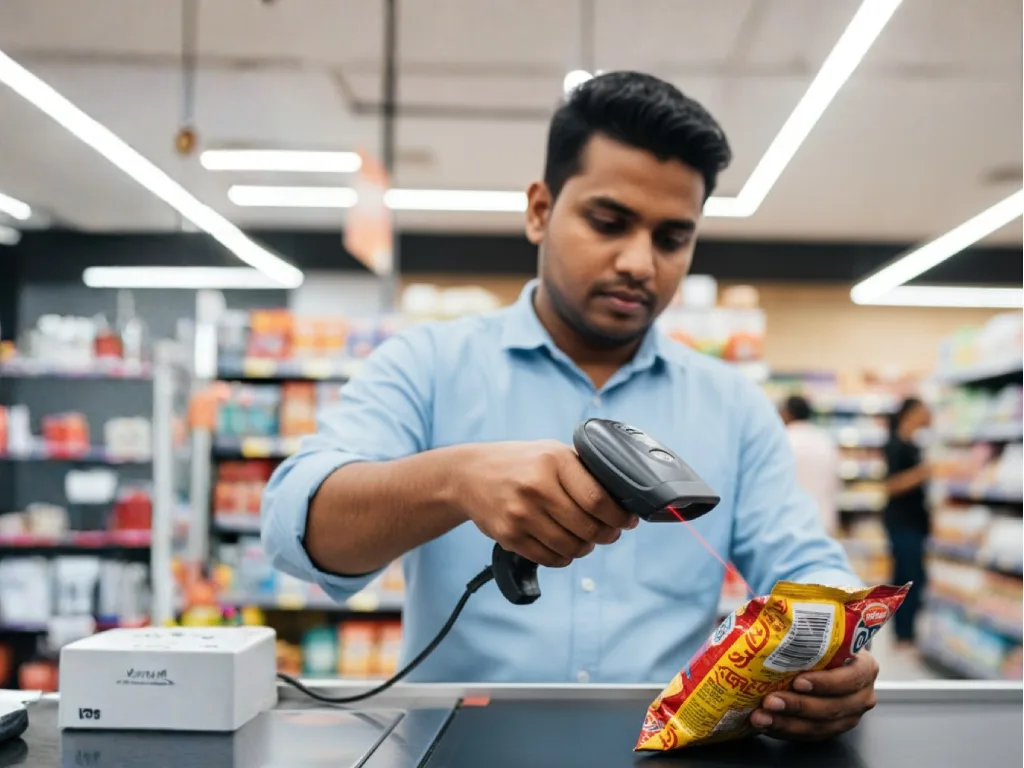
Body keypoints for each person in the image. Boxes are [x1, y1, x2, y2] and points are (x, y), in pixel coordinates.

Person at [262, 72, 877, 741]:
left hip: (664, 749)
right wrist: (454, 481)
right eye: (609, 223)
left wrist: (842, 653)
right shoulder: (427, 365)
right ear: (539, 210)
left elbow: (806, 564)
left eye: (672, 238)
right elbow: (297, 528)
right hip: (459, 749)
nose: (640, 262)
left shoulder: (733, 405)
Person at [883, 397, 932, 648]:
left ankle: (905, 633)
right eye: (925, 410)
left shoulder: (914, 444)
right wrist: (924, 472)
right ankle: (904, 634)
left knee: (909, 576)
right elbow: (892, 485)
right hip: (903, 523)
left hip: (915, 522)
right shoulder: (896, 445)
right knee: (908, 578)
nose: (929, 415)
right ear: (911, 413)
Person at [780, 395, 841, 536]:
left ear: (787, 414)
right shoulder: (825, 441)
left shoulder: (783, 441)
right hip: (824, 521)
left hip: (790, 523)